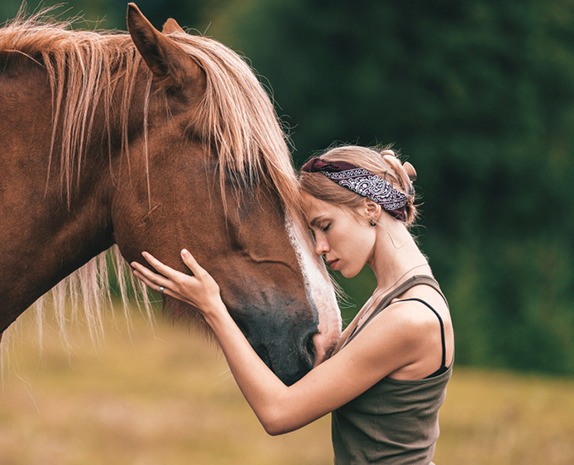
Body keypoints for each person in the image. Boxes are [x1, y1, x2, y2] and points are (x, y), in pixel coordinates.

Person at [131, 145, 453, 464]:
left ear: (370, 208)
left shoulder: (409, 319)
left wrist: (213, 308)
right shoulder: (390, 299)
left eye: (324, 226)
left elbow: (278, 412)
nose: (319, 247)